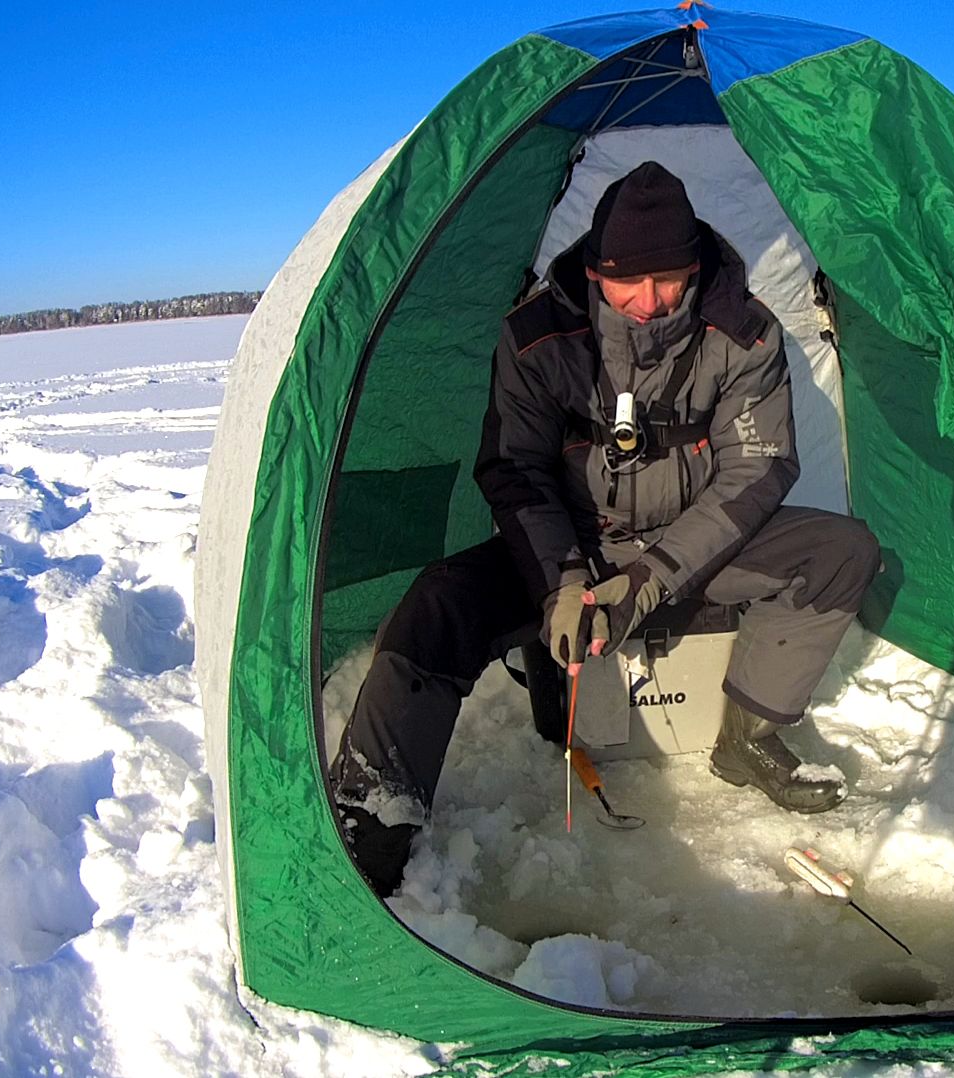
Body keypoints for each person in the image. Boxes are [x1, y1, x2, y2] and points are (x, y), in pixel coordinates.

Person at [328, 161, 880, 895]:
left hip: (686, 550)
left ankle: (750, 738)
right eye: (628, 282)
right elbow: (514, 469)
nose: (649, 302)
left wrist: (649, 580)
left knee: (841, 552)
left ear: (695, 266)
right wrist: (561, 580)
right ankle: (374, 816)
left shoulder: (745, 335)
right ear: (595, 271)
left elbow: (758, 471)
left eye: (669, 280)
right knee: (440, 603)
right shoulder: (536, 339)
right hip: (577, 552)